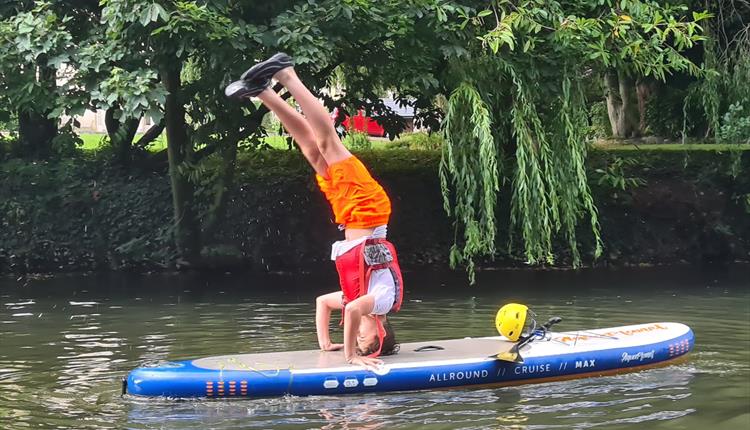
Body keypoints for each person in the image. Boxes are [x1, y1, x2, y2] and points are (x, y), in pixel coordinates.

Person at [225, 53, 404, 368]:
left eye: (358, 341)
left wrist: (325, 343)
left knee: (310, 149)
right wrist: (350, 356)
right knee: (327, 142)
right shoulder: (380, 303)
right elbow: (350, 312)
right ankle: (287, 74)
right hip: (367, 209)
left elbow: (323, 303)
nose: (358, 337)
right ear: (379, 329)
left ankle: (262, 92)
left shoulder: (354, 297)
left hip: (348, 213)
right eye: (364, 339)